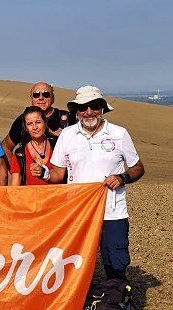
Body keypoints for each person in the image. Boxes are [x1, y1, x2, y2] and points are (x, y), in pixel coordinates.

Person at [43, 86, 145, 280]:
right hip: (78, 212)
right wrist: (45, 174)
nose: (89, 112)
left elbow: (138, 168)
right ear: (77, 111)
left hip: (112, 213)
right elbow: (57, 173)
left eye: (94, 106)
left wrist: (122, 178)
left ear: (102, 108)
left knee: (115, 265)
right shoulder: (67, 135)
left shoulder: (119, 133)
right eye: (83, 108)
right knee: (76, 266)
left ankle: (118, 305)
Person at [1, 82, 70, 158]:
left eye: (46, 94)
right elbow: (6, 146)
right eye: (36, 95)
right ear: (32, 99)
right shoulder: (22, 120)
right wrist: (14, 168)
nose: (41, 98)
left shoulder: (66, 118)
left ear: (52, 98)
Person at [8, 106, 59, 186]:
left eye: (38, 122)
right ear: (25, 128)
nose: (34, 127)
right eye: (30, 124)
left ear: (45, 123)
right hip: (30, 198)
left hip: (57, 197)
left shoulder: (57, 146)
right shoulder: (20, 154)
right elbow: (14, 189)